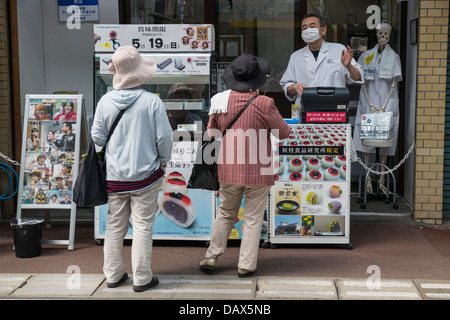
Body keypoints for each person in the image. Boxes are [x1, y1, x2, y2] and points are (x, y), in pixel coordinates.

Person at [199, 53, 290, 277]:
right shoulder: (264, 103)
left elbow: (210, 133)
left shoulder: (219, 101)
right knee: (252, 218)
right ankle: (246, 265)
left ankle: (211, 255)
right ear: (257, 79)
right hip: (259, 169)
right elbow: (283, 133)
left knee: (225, 213)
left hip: (228, 167)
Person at [91, 46, 173, 292]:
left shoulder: (105, 100)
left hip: (115, 178)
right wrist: (163, 160)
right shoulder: (152, 101)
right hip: (146, 177)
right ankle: (142, 278)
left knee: (115, 225)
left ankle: (114, 275)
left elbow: (97, 137)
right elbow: (164, 139)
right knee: (142, 226)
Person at [353, 23, 402, 194]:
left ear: (389, 36)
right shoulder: (366, 56)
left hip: (386, 105)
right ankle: (367, 177)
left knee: (385, 142)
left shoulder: (394, 56)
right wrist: (371, 103)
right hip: (369, 103)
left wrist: (383, 106)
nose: (383, 37)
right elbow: (361, 80)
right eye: (380, 33)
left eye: (386, 34)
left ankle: (381, 180)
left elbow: (394, 84)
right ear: (377, 35)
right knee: (367, 142)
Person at [279, 13, 364, 106]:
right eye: (304, 28)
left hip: (334, 108)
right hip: (306, 108)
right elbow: (286, 86)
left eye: (312, 27)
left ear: (323, 30)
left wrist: (348, 66)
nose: (308, 30)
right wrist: (295, 86)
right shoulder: (296, 56)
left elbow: (358, 77)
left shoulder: (339, 50)